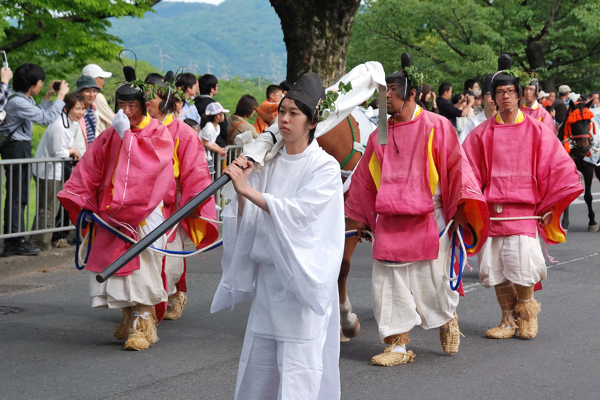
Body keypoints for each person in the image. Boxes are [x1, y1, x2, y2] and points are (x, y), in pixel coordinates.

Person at [345, 54, 489, 367]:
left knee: (433, 284)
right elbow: (366, 180)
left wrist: (460, 209)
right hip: (389, 219)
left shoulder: (437, 126)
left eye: (391, 93)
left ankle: (447, 317)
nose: (386, 98)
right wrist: (361, 218)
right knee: (387, 283)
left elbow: (458, 170)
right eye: (383, 93)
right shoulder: (379, 133)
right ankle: (397, 345)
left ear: (411, 93)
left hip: (430, 217)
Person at [211, 72, 344, 399]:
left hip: (301, 285)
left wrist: (246, 189)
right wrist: (242, 186)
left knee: (298, 372)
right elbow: (251, 217)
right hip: (269, 285)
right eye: (281, 111)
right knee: (260, 372)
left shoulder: (323, 167)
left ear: (312, 122)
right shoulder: (266, 162)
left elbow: (301, 214)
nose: (283, 119)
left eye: (293, 113)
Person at [462, 54, 583, 341]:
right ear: (492, 98)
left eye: (510, 92)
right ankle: (507, 320)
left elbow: (557, 167)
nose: (505, 97)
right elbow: (467, 170)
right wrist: (470, 206)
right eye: (499, 93)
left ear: (519, 95)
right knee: (494, 269)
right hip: (493, 210)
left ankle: (527, 316)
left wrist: (549, 205)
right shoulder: (480, 134)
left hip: (525, 211)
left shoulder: (537, 129)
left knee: (524, 266)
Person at [57, 66, 175, 351]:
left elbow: (150, 168)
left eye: (131, 105)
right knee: (119, 272)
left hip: (143, 213)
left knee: (143, 270)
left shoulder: (157, 133)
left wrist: (128, 139)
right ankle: (127, 319)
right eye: (121, 105)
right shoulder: (111, 134)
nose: (125, 112)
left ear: (144, 106)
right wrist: (79, 195)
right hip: (110, 212)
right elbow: (91, 167)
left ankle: (143, 328)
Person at [144, 76, 218, 320]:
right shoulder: (138, 129)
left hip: (172, 202)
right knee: (144, 254)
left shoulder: (183, 133)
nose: (145, 102)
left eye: (150, 98)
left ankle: (171, 295)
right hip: (143, 202)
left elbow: (196, 170)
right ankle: (143, 305)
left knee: (169, 255)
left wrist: (194, 200)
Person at [0, 63, 68, 257]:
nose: (42, 85)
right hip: (16, 147)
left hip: (19, 147)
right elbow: (46, 118)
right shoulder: (18, 102)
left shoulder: (22, 99)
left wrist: (47, 96)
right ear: (32, 84)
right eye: (40, 82)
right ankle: (15, 241)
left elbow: (38, 111)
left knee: (19, 195)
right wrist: (60, 96)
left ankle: (16, 239)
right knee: (16, 196)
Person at [30, 93, 86, 250]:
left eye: (83, 109)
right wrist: (72, 150)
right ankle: (40, 244)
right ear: (67, 108)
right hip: (48, 172)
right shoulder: (59, 126)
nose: (81, 112)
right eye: (78, 108)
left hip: (54, 171)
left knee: (49, 208)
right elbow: (58, 152)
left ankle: (37, 241)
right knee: (48, 209)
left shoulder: (66, 123)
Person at [459, 74, 497, 143]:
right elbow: (462, 148)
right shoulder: (473, 123)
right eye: (489, 94)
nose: (493, 98)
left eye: (496, 94)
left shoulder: (507, 121)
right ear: (481, 97)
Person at [194, 73, 229, 146]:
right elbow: (224, 128)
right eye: (217, 86)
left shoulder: (193, 102)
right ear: (212, 89)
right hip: (216, 144)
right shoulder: (214, 106)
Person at [81, 64, 115, 132]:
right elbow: (114, 121)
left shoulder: (77, 96)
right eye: (102, 78)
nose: (103, 82)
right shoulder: (96, 97)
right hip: (97, 140)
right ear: (95, 80)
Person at [200, 102, 228, 174]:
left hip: (206, 155)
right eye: (222, 114)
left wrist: (219, 149)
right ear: (217, 116)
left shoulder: (217, 127)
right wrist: (218, 150)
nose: (224, 116)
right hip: (201, 154)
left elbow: (211, 141)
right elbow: (205, 143)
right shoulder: (209, 127)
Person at [75, 75, 101, 146]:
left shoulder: (93, 109)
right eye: (87, 91)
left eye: (94, 91)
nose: (92, 95)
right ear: (79, 92)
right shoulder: (74, 111)